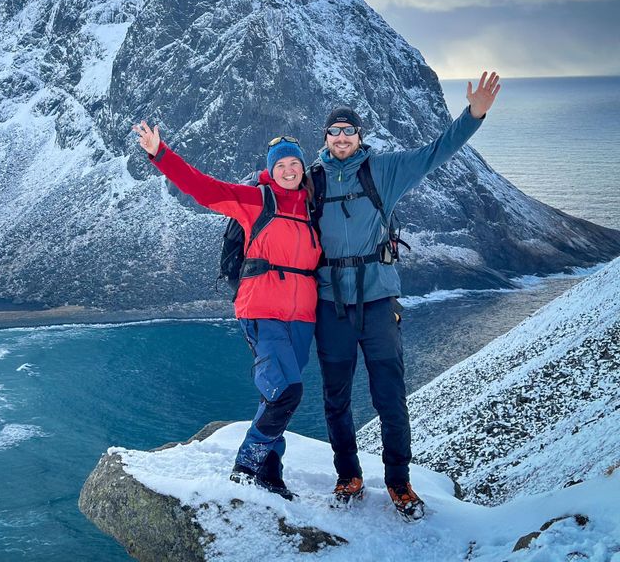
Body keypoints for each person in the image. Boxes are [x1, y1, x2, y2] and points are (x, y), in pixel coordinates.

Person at [312, 71, 501, 521]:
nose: (341, 137)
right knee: (335, 397)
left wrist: (474, 115)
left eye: (349, 131)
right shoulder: (311, 180)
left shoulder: (385, 170)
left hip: (378, 302)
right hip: (330, 305)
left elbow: (436, 152)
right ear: (326, 137)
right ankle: (348, 476)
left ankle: (398, 481)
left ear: (360, 136)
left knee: (390, 396)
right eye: (334, 131)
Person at [133, 121, 321, 500]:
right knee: (286, 392)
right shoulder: (257, 200)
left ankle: (270, 471)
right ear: (271, 169)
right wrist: (160, 153)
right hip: (262, 309)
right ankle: (247, 465)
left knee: (274, 396)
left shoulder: (314, 208)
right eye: (281, 164)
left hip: (302, 318)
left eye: (294, 164)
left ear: (303, 168)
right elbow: (203, 189)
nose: (288, 170)